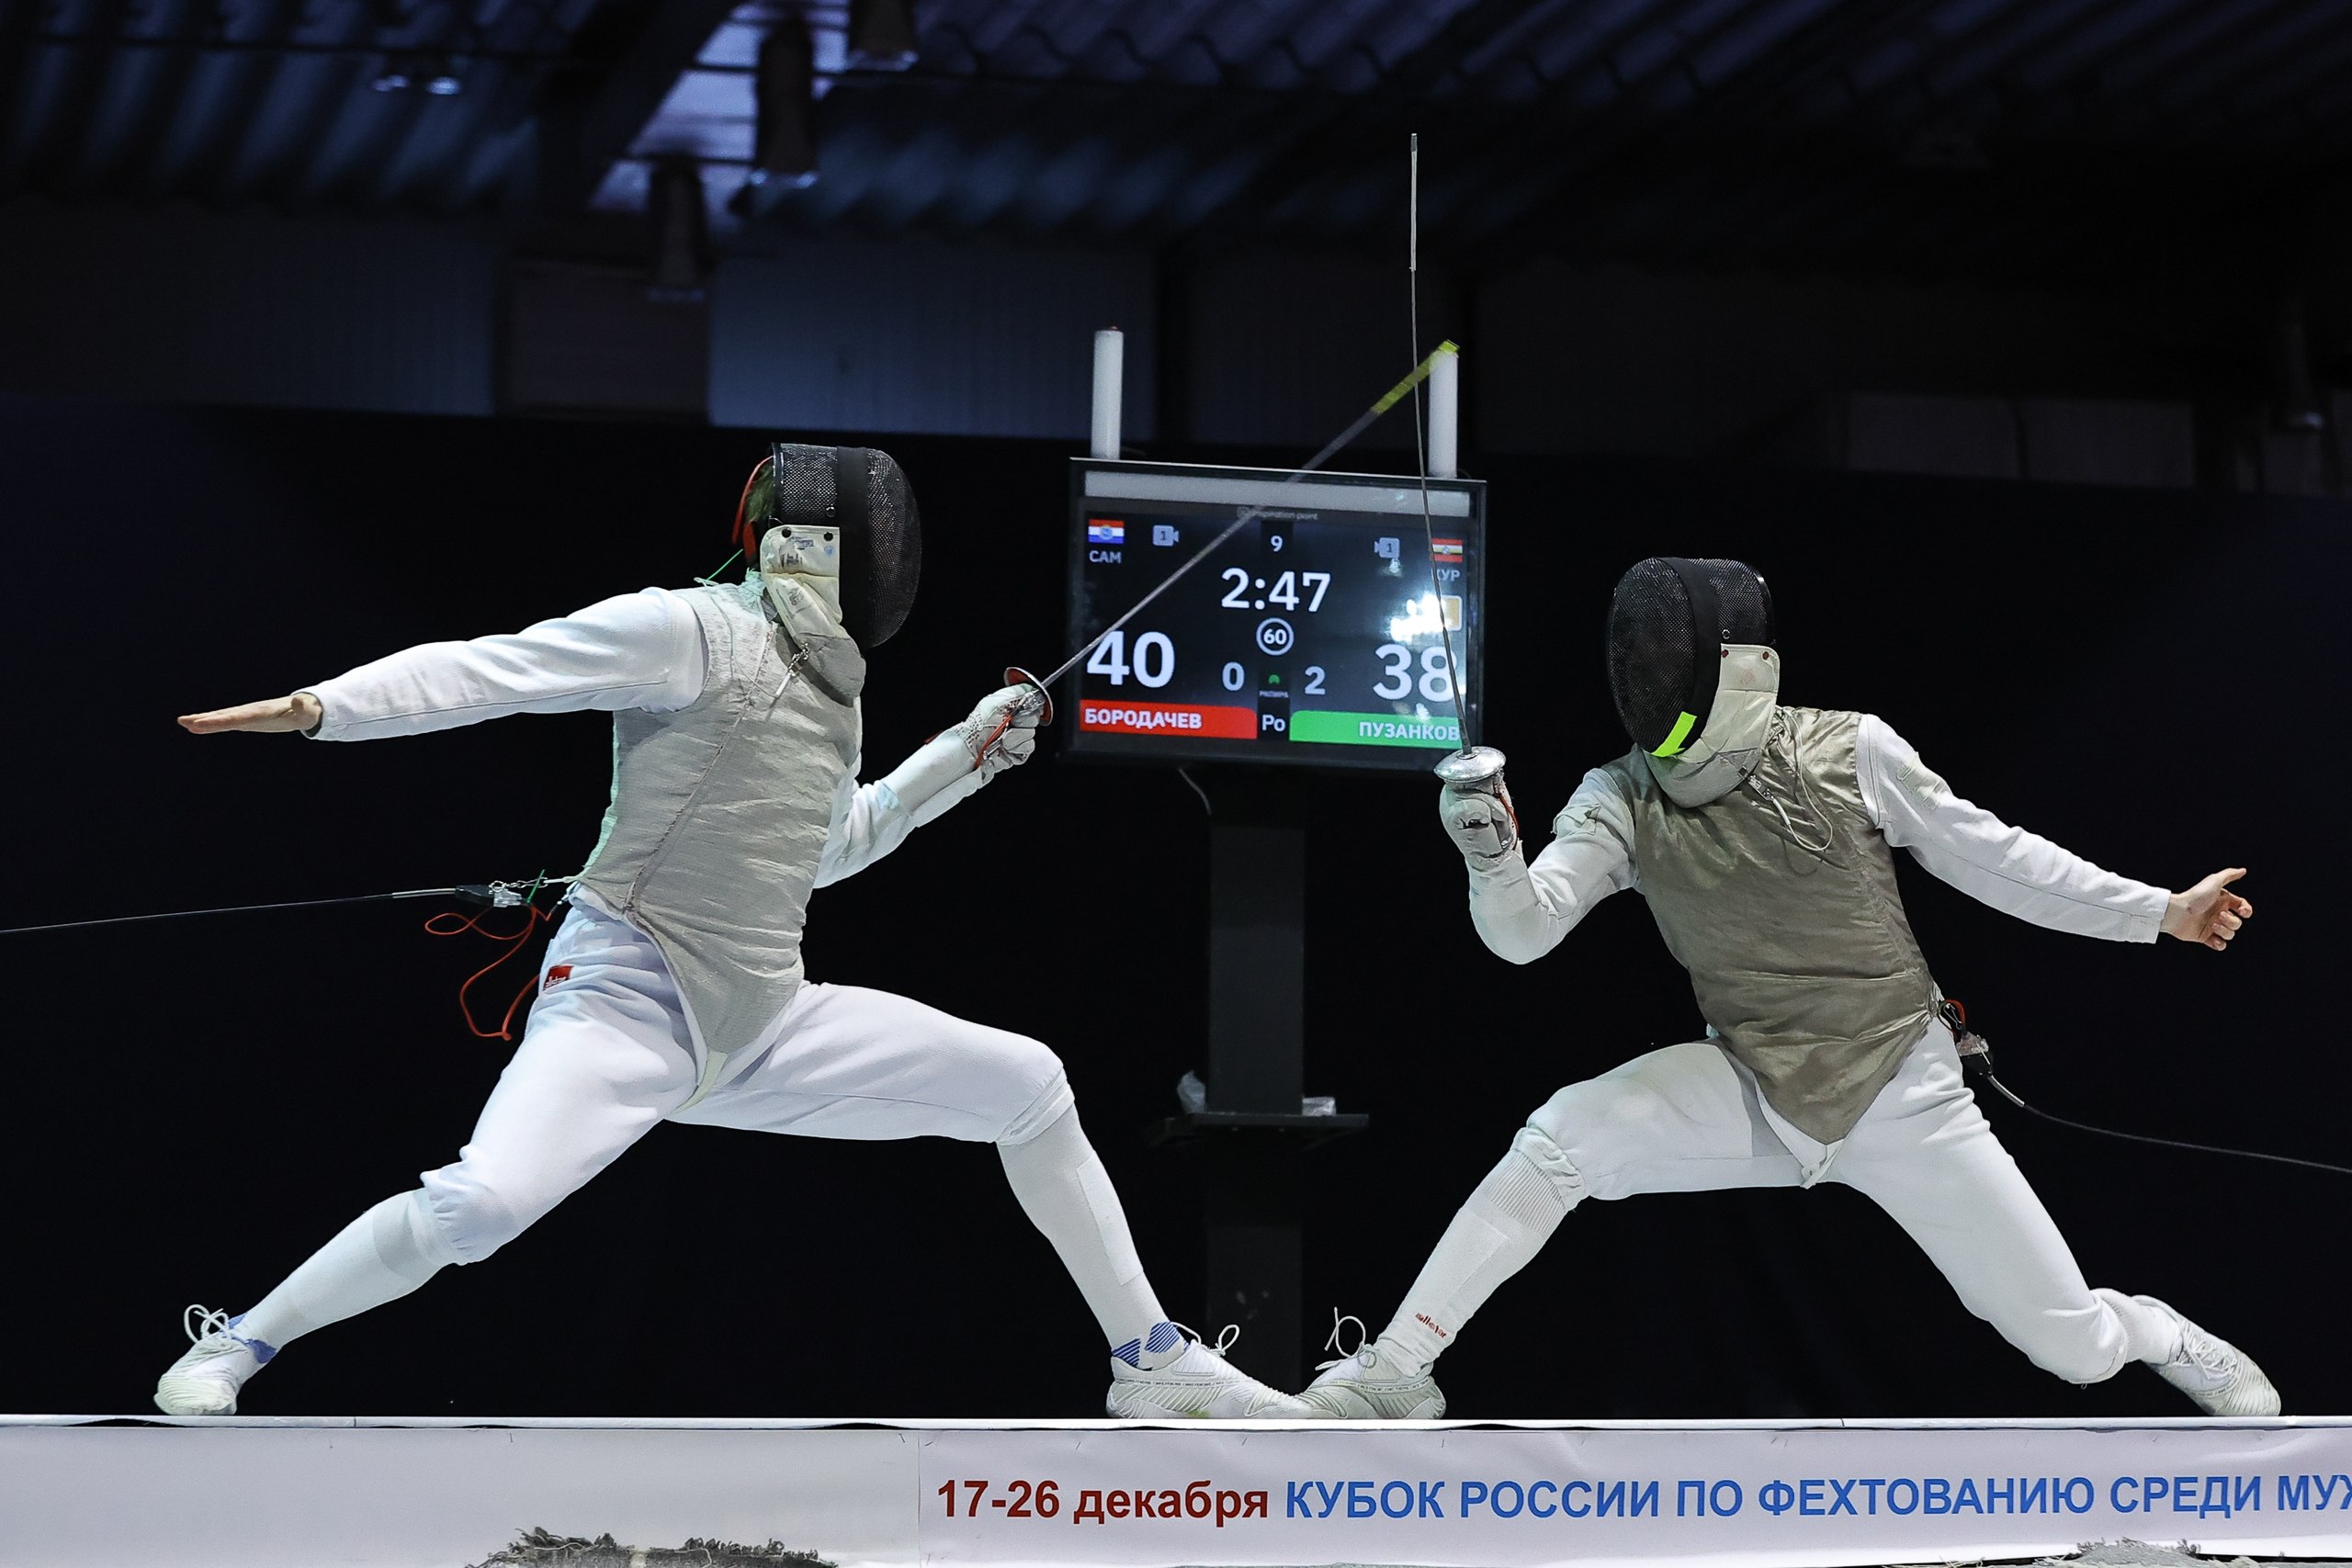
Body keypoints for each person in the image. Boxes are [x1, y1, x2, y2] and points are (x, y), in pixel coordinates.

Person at [154, 444, 1303, 1420]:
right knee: (483, 1206)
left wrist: (964, 754)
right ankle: (239, 1343)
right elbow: (496, 670)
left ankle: (1150, 1361)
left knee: (1028, 1085)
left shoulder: (834, 690)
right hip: (627, 999)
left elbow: (830, 846)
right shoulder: (688, 629)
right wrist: (324, 708)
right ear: (814, 544)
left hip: (766, 1020)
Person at [1299, 556, 2275, 1419]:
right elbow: (1524, 933)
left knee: (2075, 1348)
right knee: (1563, 1138)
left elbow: (1995, 858)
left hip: (1905, 1092)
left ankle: (2154, 1331)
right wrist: (1492, 858)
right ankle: (1396, 1369)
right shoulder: (1621, 796)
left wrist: (2159, 911)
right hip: (1754, 1083)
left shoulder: (1852, 750)